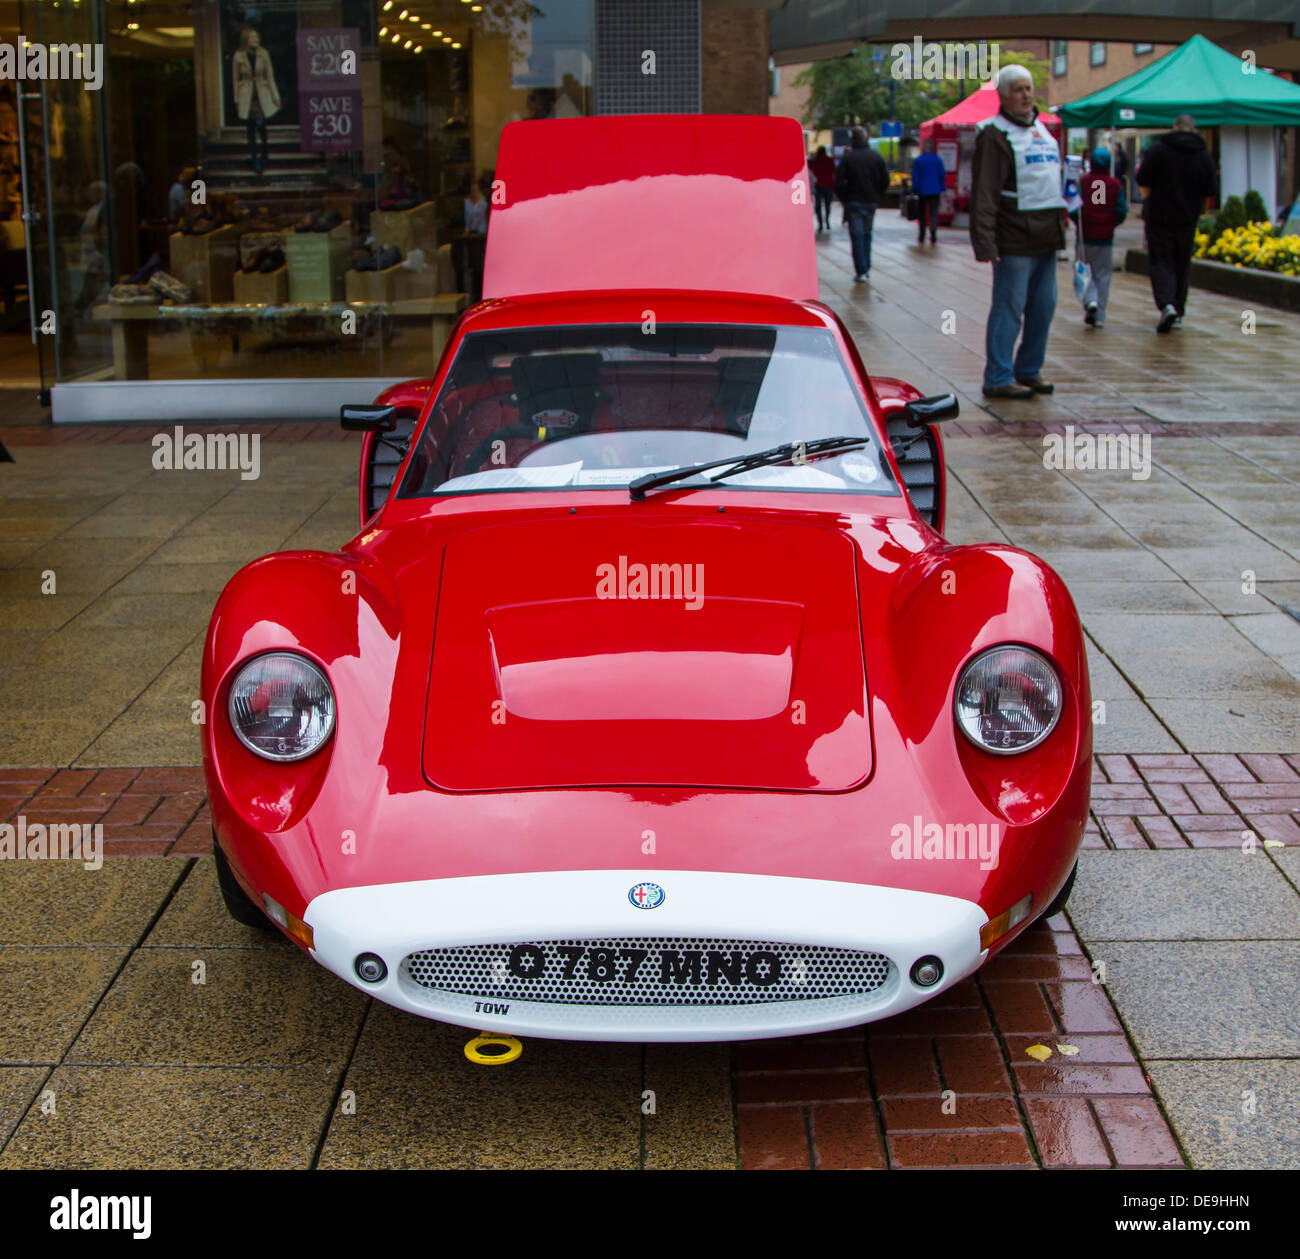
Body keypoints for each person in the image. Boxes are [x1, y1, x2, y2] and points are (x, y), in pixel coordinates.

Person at [969, 64, 1067, 400]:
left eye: (1028, 88)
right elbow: (984, 193)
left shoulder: (1042, 129)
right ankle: (998, 376)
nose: (1026, 95)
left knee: (1044, 306)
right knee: (1009, 308)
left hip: (1047, 237)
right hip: (1014, 238)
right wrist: (985, 241)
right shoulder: (994, 135)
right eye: (1018, 90)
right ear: (1004, 96)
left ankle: (1029, 369)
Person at [1136, 114, 1218, 332]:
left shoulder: (1158, 150)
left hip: (1159, 217)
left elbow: (1142, 178)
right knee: (1182, 264)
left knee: (1161, 262)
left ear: (1174, 127)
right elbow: (1211, 189)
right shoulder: (1203, 155)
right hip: (1187, 218)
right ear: (1194, 129)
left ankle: (1166, 304)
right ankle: (1178, 310)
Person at [1070, 146, 1127, 328]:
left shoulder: (1084, 183)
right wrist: (1111, 223)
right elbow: (1121, 210)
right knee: (1103, 274)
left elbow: (1073, 207)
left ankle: (1090, 300)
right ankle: (1099, 312)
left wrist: (1079, 223)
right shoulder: (1114, 184)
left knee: (1083, 270)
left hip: (1085, 236)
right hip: (1105, 237)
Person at [834, 126, 888, 281]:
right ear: (866, 139)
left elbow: (838, 182)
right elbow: (885, 180)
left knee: (857, 236)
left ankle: (861, 270)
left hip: (853, 201)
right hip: (870, 201)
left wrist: (844, 198)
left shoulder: (848, 158)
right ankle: (866, 267)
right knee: (866, 234)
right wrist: (877, 195)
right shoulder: (875, 157)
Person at [232, 26, 280, 175]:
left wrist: (275, 97)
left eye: (257, 37)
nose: (256, 40)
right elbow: (235, 79)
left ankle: (264, 152)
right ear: (246, 39)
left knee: (261, 125)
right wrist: (236, 99)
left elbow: (270, 76)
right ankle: (255, 161)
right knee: (251, 129)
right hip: (246, 95)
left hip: (262, 94)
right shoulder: (238, 55)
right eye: (252, 37)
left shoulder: (263, 54)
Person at [910, 138, 946, 245]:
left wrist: (914, 189)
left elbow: (915, 176)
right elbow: (942, 175)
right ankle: (933, 231)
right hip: (935, 190)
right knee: (933, 212)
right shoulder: (937, 160)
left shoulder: (919, 160)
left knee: (922, 213)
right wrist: (942, 188)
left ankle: (922, 234)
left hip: (922, 190)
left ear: (924, 147)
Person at [808, 145, 836, 232]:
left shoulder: (815, 161)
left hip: (819, 186)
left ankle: (820, 223)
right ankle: (827, 221)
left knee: (818, 206)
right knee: (827, 205)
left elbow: (812, 172)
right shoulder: (830, 160)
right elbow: (834, 172)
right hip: (829, 185)